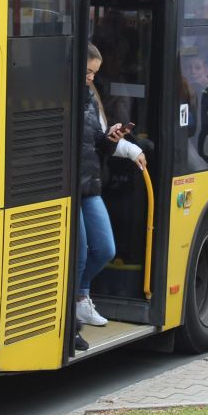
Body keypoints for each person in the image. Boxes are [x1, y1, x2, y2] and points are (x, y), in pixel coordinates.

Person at [74, 42, 147, 350]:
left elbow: (95, 144)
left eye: (95, 73)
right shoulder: (64, 95)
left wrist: (112, 140)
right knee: (77, 256)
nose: (92, 78)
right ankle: (71, 318)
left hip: (90, 184)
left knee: (104, 248)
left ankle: (80, 297)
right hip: (70, 188)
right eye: (88, 71)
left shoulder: (91, 98)